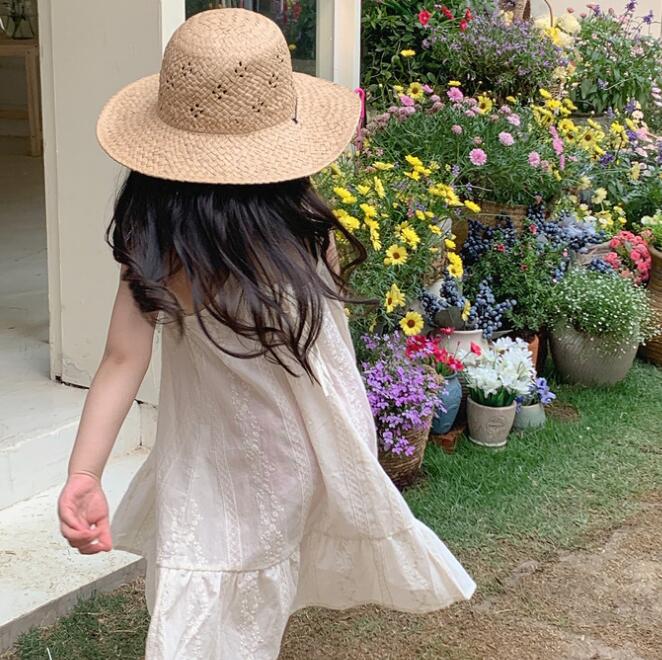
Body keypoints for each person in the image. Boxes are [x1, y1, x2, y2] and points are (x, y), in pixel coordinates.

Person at [57, 8, 475, 659]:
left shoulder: (161, 250)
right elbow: (332, 361)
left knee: (201, 608)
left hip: (208, 465)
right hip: (287, 464)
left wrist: (84, 471)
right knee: (241, 609)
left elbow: (120, 360)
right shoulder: (301, 235)